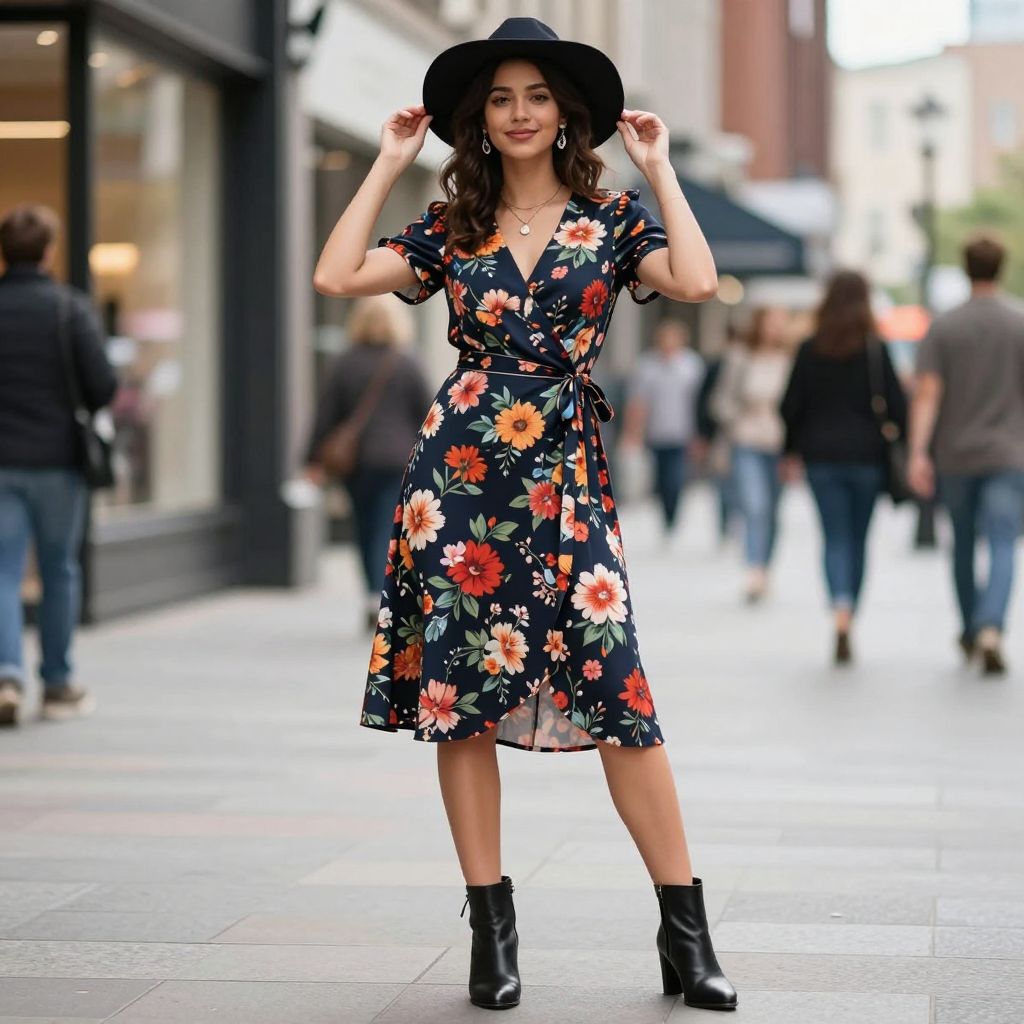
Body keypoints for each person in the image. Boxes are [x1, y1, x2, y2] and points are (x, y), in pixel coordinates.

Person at [313, 18, 736, 1014]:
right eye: (499, 99)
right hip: (459, 476)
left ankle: (685, 931)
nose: (516, 114)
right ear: (478, 117)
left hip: (567, 475)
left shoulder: (612, 218)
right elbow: (335, 275)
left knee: (618, 692)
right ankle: (489, 932)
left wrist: (660, 168)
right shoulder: (450, 225)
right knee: (460, 699)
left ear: (564, 114)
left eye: (535, 97)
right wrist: (385, 160)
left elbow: (699, 280)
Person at [0, 205, 116, 727]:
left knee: (2, 573)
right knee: (58, 571)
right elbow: (103, 387)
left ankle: (6, 674)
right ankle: (57, 684)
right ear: (48, 251)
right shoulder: (68, 310)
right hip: (57, 463)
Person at [909, 236, 1024, 676]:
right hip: (1010, 453)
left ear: (965, 268)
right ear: (1001, 267)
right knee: (1002, 542)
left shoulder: (945, 326)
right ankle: (992, 625)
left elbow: (927, 395)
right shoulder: (1018, 322)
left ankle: (970, 626)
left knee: (961, 544)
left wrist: (919, 451)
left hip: (956, 454)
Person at [780, 271, 907, 664]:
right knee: (858, 540)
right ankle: (850, 613)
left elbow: (790, 406)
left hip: (821, 457)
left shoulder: (809, 348)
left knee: (834, 538)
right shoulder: (874, 348)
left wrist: (791, 450)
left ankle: (838, 608)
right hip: (867, 457)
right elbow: (899, 405)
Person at [305, 295, 431, 632]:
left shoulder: (344, 362)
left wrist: (311, 460)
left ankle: (371, 596)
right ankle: (380, 599)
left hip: (357, 463)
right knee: (386, 531)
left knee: (364, 529)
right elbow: (429, 413)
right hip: (397, 460)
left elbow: (326, 414)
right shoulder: (408, 362)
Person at [711, 307, 792, 602]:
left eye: (780, 323)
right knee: (754, 505)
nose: (775, 329)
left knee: (772, 510)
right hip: (746, 439)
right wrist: (736, 419)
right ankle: (754, 570)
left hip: (780, 443)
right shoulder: (740, 357)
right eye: (770, 322)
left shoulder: (790, 360)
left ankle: (765, 566)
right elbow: (720, 400)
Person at [621, 319, 705, 535]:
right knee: (660, 477)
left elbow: (700, 402)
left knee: (676, 478)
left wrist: (701, 434)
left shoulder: (691, 365)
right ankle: (665, 514)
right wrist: (633, 432)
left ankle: (673, 515)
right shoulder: (647, 366)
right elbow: (638, 403)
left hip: (683, 432)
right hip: (656, 433)